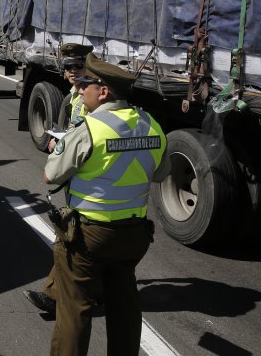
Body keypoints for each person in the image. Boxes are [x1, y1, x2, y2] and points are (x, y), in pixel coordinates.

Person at [43, 54, 170, 356]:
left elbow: (50, 175)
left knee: (75, 310)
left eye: (85, 82)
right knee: (124, 306)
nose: (79, 88)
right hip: (134, 235)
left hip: (90, 237)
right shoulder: (151, 124)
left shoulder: (90, 129)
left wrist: (58, 148)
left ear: (103, 91)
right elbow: (162, 173)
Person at [23, 42, 94, 314]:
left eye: (78, 66)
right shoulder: (75, 97)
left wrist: (62, 149)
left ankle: (55, 298)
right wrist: (58, 143)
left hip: (87, 181)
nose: (73, 72)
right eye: (68, 67)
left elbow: (88, 139)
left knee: (71, 240)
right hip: (77, 178)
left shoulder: (92, 98)